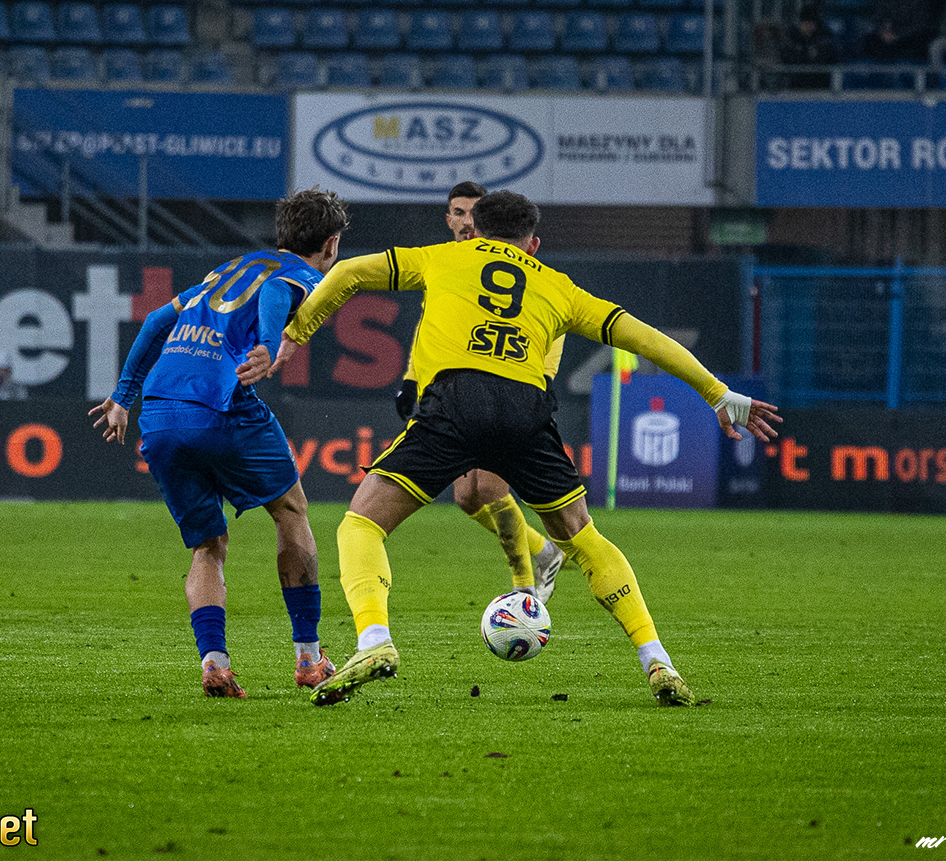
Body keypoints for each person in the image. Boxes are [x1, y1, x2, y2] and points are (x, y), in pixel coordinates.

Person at [269, 191, 782, 708]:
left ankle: (375, 642)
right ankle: (658, 662)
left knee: (361, 524)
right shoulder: (558, 286)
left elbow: (350, 272)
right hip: (525, 409)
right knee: (584, 537)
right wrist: (718, 393)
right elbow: (643, 337)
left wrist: (297, 332)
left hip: (454, 401)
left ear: (474, 230)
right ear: (532, 243)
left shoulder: (442, 257)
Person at [88, 187, 350, 699]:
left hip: (158, 412)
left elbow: (156, 322)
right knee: (290, 511)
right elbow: (275, 297)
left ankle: (214, 663)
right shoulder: (302, 274)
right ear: (332, 244)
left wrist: (123, 397)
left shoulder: (230, 268)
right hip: (219, 406)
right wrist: (268, 345)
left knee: (209, 545)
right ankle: (309, 658)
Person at [394, 181, 565, 601]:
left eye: (473, 212)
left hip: (507, 385)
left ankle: (525, 586)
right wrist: (412, 379)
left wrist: (541, 379)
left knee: (488, 489)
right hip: (452, 393)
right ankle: (544, 552)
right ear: (448, 219)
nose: (466, 221)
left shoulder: (511, 265)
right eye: (458, 212)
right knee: (467, 497)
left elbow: (550, 321)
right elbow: (429, 328)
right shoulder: (447, 264)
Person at [779, 6, 840, 89]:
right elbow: (787, 59)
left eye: (811, 23)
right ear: (800, 23)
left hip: (821, 84)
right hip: (797, 85)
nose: (809, 27)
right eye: (806, 24)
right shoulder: (792, 38)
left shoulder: (824, 38)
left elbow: (833, 59)